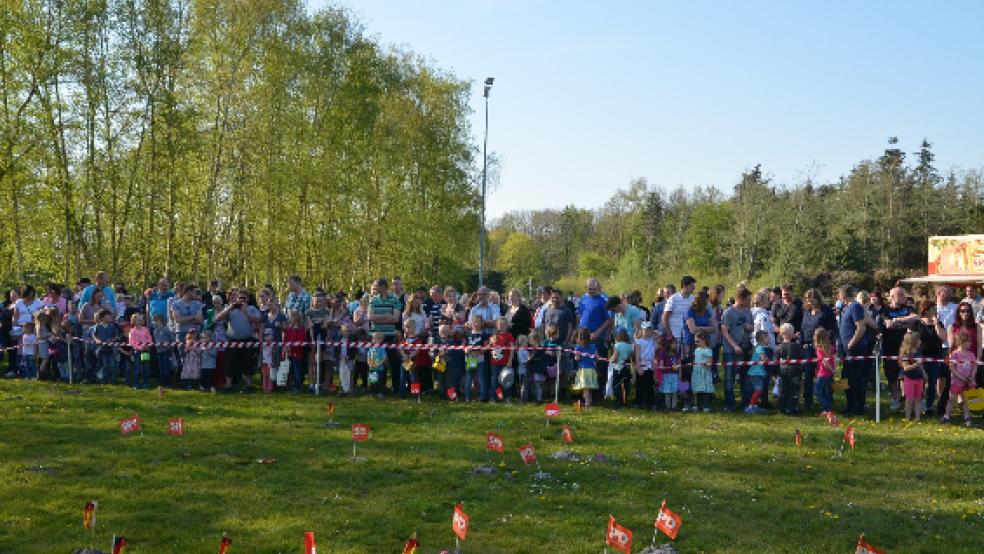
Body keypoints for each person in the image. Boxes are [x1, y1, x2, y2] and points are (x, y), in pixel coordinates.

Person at [214, 290, 262, 392]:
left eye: (243, 298)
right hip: (232, 340)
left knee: (248, 363)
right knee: (229, 363)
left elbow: (257, 321)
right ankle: (229, 386)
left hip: (247, 340)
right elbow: (217, 319)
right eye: (240, 298)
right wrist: (228, 309)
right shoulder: (231, 308)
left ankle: (249, 385)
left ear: (248, 298)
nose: (241, 300)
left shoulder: (252, 308)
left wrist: (245, 312)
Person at [880, 286, 919, 411]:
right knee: (891, 375)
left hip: (907, 348)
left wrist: (896, 320)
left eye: (904, 294)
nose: (904, 297)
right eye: (900, 295)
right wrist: (905, 323)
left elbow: (915, 318)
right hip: (890, 347)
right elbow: (888, 325)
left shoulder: (909, 308)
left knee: (908, 373)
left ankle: (909, 399)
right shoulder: (885, 310)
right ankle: (895, 399)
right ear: (892, 297)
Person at [838, 285, 869, 416]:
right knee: (845, 378)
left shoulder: (856, 306)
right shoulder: (846, 308)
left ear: (843, 295)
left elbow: (861, 327)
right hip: (846, 350)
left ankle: (859, 406)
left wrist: (851, 342)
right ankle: (850, 404)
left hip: (854, 349)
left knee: (855, 379)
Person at [721, 288, 753, 411]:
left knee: (745, 377)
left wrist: (749, 327)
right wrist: (734, 346)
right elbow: (725, 331)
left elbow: (752, 327)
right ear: (740, 299)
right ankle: (729, 404)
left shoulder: (748, 312)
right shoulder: (728, 312)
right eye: (748, 300)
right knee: (729, 378)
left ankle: (745, 403)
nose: (749, 302)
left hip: (745, 348)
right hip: (730, 350)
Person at [579, 279, 613, 392]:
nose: (592, 291)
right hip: (583, 337)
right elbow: (580, 316)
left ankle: (600, 389)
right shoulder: (583, 299)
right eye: (590, 289)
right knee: (585, 363)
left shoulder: (603, 300)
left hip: (597, 337)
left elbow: (609, 319)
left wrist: (599, 332)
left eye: (594, 289)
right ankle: (586, 389)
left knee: (600, 363)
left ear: (598, 288)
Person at [914, 299, 946, 415]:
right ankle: (919, 404)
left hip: (936, 356)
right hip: (921, 356)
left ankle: (929, 406)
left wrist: (936, 324)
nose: (936, 310)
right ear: (926, 310)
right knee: (921, 381)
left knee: (932, 382)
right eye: (933, 308)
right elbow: (911, 339)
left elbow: (943, 338)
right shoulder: (917, 323)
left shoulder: (939, 323)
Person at [941, 332, 977, 426]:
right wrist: (961, 378)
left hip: (969, 382)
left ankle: (967, 417)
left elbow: (974, 367)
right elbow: (952, 368)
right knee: (951, 399)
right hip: (957, 382)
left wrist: (972, 376)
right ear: (962, 342)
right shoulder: (954, 354)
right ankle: (946, 416)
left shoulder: (971, 354)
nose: (971, 343)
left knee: (966, 400)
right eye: (969, 341)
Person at [775, 323, 804, 415]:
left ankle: (782, 407)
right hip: (795, 371)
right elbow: (801, 357)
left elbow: (776, 360)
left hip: (783, 371)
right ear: (792, 334)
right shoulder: (796, 346)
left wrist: (776, 372)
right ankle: (792, 408)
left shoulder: (779, 347)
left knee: (783, 390)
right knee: (794, 390)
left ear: (781, 334)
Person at [662, 277, 697, 350]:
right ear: (684, 286)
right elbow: (665, 317)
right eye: (692, 286)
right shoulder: (673, 299)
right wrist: (669, 333)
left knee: (688, 356)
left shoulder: (693, 299)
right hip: (675, 335)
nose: (694, 288)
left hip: (688, 336)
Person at [898, 330, 924, 422]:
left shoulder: (919, 352)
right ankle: (908, 418)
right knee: (909, 400)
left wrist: (923, 373)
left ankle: (917, 418)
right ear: (913, 342)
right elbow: (905, 368)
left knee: (918, 399)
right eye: (918, 340)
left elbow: (921, 366)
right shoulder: (905, 354)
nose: (920, 341)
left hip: (919, 378)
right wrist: (917, 364)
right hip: (909, 378)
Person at [488, 317, 515, 401]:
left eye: (504, 324)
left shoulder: (509, 336)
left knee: (506, 380)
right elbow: (489, 347)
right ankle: (497, 397)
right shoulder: (493, 336)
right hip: (495, 363)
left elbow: (512, 349)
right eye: (500, 324)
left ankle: (507, 397)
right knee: (495, 382)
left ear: (507, 326)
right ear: (497, 325)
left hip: (505, 363)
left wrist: (510, 361)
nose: (502, 326)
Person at [745, 330, 771, 414]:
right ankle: (750, 407)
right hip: (756, 373)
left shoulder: (758, 347)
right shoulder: (760, 348)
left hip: (757, 372)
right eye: (767, 337)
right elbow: (763, 359)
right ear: (762, 339)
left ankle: (755, 406)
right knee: (758, 390)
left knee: (757, 390)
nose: (768, 339)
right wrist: (768, 359)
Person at [572, 328, 599, 408]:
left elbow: (577, 359)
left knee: (585, 387)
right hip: (592, 369)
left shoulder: (578, 347)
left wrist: (576, 357)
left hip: (584, 370)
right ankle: (589, 400)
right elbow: (597, 359)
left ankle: (587, 403)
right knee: (588, 387)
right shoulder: (593, 346)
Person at [634, 323, 657, 410]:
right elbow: (637, 354)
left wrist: (652, 332)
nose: (647, 332)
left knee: (650, 386)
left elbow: (659, 334)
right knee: (639, 386)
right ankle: (638, 403)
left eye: (649, 330)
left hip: (650, 366)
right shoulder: (638, 341)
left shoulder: (653, 340)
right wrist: (638, 366)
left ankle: (651, 403)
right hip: (642, 365)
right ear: (642, 331)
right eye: (646, 330)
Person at [607, 328, 633, 406]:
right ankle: (625, 399)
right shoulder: (629, 346)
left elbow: (615, 359)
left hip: (618, 368)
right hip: (626, 368)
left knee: (617, 384)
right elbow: (630, 357)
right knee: (626, 384)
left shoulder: (617, 345)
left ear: (618, 336)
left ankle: (618, 400)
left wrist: (611, 360)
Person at [813, 329, 836, 416]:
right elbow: (835, 359)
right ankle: (828, 407)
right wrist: (834, 370)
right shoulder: (832, 347)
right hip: (830, 374)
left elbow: (824, 362)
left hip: (822, 373)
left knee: (818, 391)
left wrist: (831, 369)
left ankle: (827, 409)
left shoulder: (819, 349)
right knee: (826, 391)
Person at [691, 330, 714, 412]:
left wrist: (706, 364)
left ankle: (706, 406)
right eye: (695, 341)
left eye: (697, 341)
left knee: (705, 390)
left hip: (704, 373)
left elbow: (710, 363)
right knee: (698, 389)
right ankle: (697, 405)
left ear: (704, 340)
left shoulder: (708, 350)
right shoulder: (696, 350)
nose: (696, 343)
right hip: (697, 373)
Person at [464, 315, 486, 402]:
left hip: (480, 359)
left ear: (482, 323)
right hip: (470, 359)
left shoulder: (484, 334)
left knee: (481, 378)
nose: (476, 324)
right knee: (469, 378)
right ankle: (467, 397)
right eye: (474, 322)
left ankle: (482, 397)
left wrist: (479, 352)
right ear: (471, 323)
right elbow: (464, 345)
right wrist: (466, 350)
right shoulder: (468, 334)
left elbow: (486, 346)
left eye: (478, 322)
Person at [285, 311, 308, 394]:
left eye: (291, 317)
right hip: (290, 353)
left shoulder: (301, 329)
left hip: (298, 354)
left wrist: (292, 346)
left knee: (297, 371)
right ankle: (292, 386)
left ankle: (298, 387)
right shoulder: (290, 328)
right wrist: (287, 347)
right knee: (292, 371)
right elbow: (286, 338)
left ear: (295, 318)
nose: (290, 319)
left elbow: (301, 341)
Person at [128, 314, 152, 389]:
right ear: (134, 321)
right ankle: (136, 383)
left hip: (145, 351)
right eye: (139, 320)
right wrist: (139, 347)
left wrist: (147, 345)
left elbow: (149, 339)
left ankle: (146, 383)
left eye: (142, 320)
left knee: (146, 368)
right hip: (137, 352)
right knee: (137, 369)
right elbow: (131, 342)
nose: (141, 321)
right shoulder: (132, 331)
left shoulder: (146, 329)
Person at [152, 313, 174, 388]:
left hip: (166, 350)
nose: (154, 322)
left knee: (166, 367)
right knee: (161, 368)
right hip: (159, 351)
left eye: (156, 321)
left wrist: (170, 347)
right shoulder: (154, 331)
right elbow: (155, 340)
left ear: (160, 321)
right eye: (154, 321)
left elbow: (172, 339)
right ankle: (163, 382)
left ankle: (168, 383)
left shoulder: (166, 329)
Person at [367, 332, 388, 398]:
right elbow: (368, 356)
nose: (373, 339)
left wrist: (379, 364)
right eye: (373, 337)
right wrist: (369, 363)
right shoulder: (371, 347)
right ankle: (373, 392)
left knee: (380, 381)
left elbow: (384, 358)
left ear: (380, 339)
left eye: (375, 337)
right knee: (372, 381)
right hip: (372, 368)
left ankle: (380, 392)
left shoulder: (382, 348)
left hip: (380, 368)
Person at [260, 328, 276, 393]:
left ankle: (270, 388)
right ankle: (264, 388)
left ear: (272, 336)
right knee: (264, 376)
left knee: (270, 376)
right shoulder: (263, 344)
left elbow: (274, 353)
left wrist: (273, 349)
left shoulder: (273, 344)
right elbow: (260, 351)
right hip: (264, 362)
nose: (266, 337)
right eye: (265, 336)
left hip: (270, 362)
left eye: (268, 335)